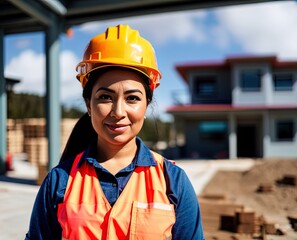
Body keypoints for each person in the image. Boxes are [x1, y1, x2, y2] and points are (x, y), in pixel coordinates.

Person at [25, 24, 204, 240]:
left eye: (132, 98)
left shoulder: (172, 181)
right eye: (105, 97)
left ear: (146, 105)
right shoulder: (59, 181)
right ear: (89, 105)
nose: (118, 112)